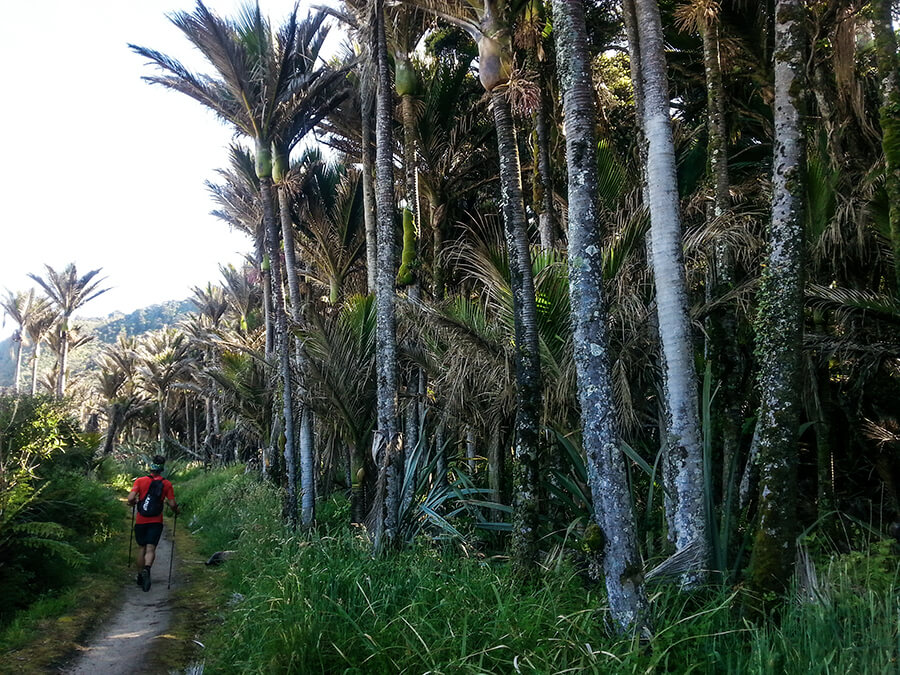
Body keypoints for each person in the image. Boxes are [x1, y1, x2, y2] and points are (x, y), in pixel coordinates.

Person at [127, 455, 179, 592]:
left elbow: (131, 498)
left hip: (141, 520)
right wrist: (176, 511)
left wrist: (133, 502)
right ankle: (147, 569)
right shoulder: (167, 484)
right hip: (156, 521)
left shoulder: (140, 481)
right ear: (162, 469)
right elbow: (172, 504)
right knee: (150, 549)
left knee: (141, 548)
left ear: (151, 467)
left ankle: (140, 575)